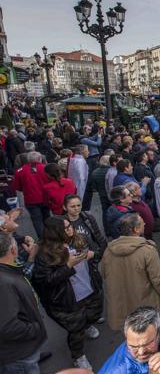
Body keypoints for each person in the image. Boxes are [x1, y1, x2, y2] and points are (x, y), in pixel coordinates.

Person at [32, 217, 103, 369]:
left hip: (90, 289)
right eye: (65, 228)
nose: (70, 229)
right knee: (76, 330)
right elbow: (45, 281)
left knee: (94, 314)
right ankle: (79, 356)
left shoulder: (79, 239)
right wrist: (69, 265)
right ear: (55, 233)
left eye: (70, 225)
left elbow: (97, 252)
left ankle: (87, 325)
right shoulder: (45, 254)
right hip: (68, 299)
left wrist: (94, 255)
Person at [101, 214, 160, 331]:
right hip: (144, 304)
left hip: (121, 305)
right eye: (142, 223)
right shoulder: (147, 250)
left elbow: (103, 273)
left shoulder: (109, 251)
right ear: (136, 229)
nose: (144, 224)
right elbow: (158, 279)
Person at [0, 233, 47, 374]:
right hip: (19, 356)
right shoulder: (4, 283)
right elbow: (8, 326)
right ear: (13, 250)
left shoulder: (7, 272)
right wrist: (35, 328)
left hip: (21, 350)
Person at [12, 151, 49, 239]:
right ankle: (51, 236)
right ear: (40, 159)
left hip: (31, 200)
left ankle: (43, 239)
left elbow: (17, 187)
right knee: (47, 218)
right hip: (46, 198)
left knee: (37, 220)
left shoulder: (19, 171)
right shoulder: (46, 169)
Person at [63, 195, 108, 259]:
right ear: (65, 207)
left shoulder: (88, 217)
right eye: (73, 206)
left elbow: (98, 235)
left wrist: (101, 252)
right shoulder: (62, 222)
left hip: (91, 254)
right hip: (74, 257)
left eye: (79, 205)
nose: (76, 208)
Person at [89, 155, 111, 222]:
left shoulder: (95, 172)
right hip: (111, 194)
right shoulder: (111, 171)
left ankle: (106, 227)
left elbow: (94, 186)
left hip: (102, 194)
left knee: (104, 211)